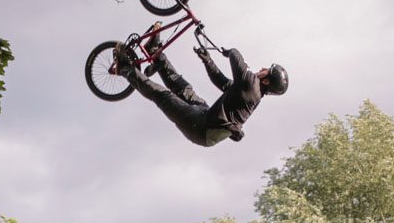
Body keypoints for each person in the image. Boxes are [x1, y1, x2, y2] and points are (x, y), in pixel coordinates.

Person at [114, 26, 288, 147]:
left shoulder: (251, 85)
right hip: (206, 117)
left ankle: (124, 68)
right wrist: (208, 61)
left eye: (266, 70)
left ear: (267, 81)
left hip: (200, 128)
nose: (262, 68)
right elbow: (222, 82)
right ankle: (155, 53)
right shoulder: (251, 93)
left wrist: (229, 52)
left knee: (163, 96)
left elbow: (236, 56)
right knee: (184, 89)